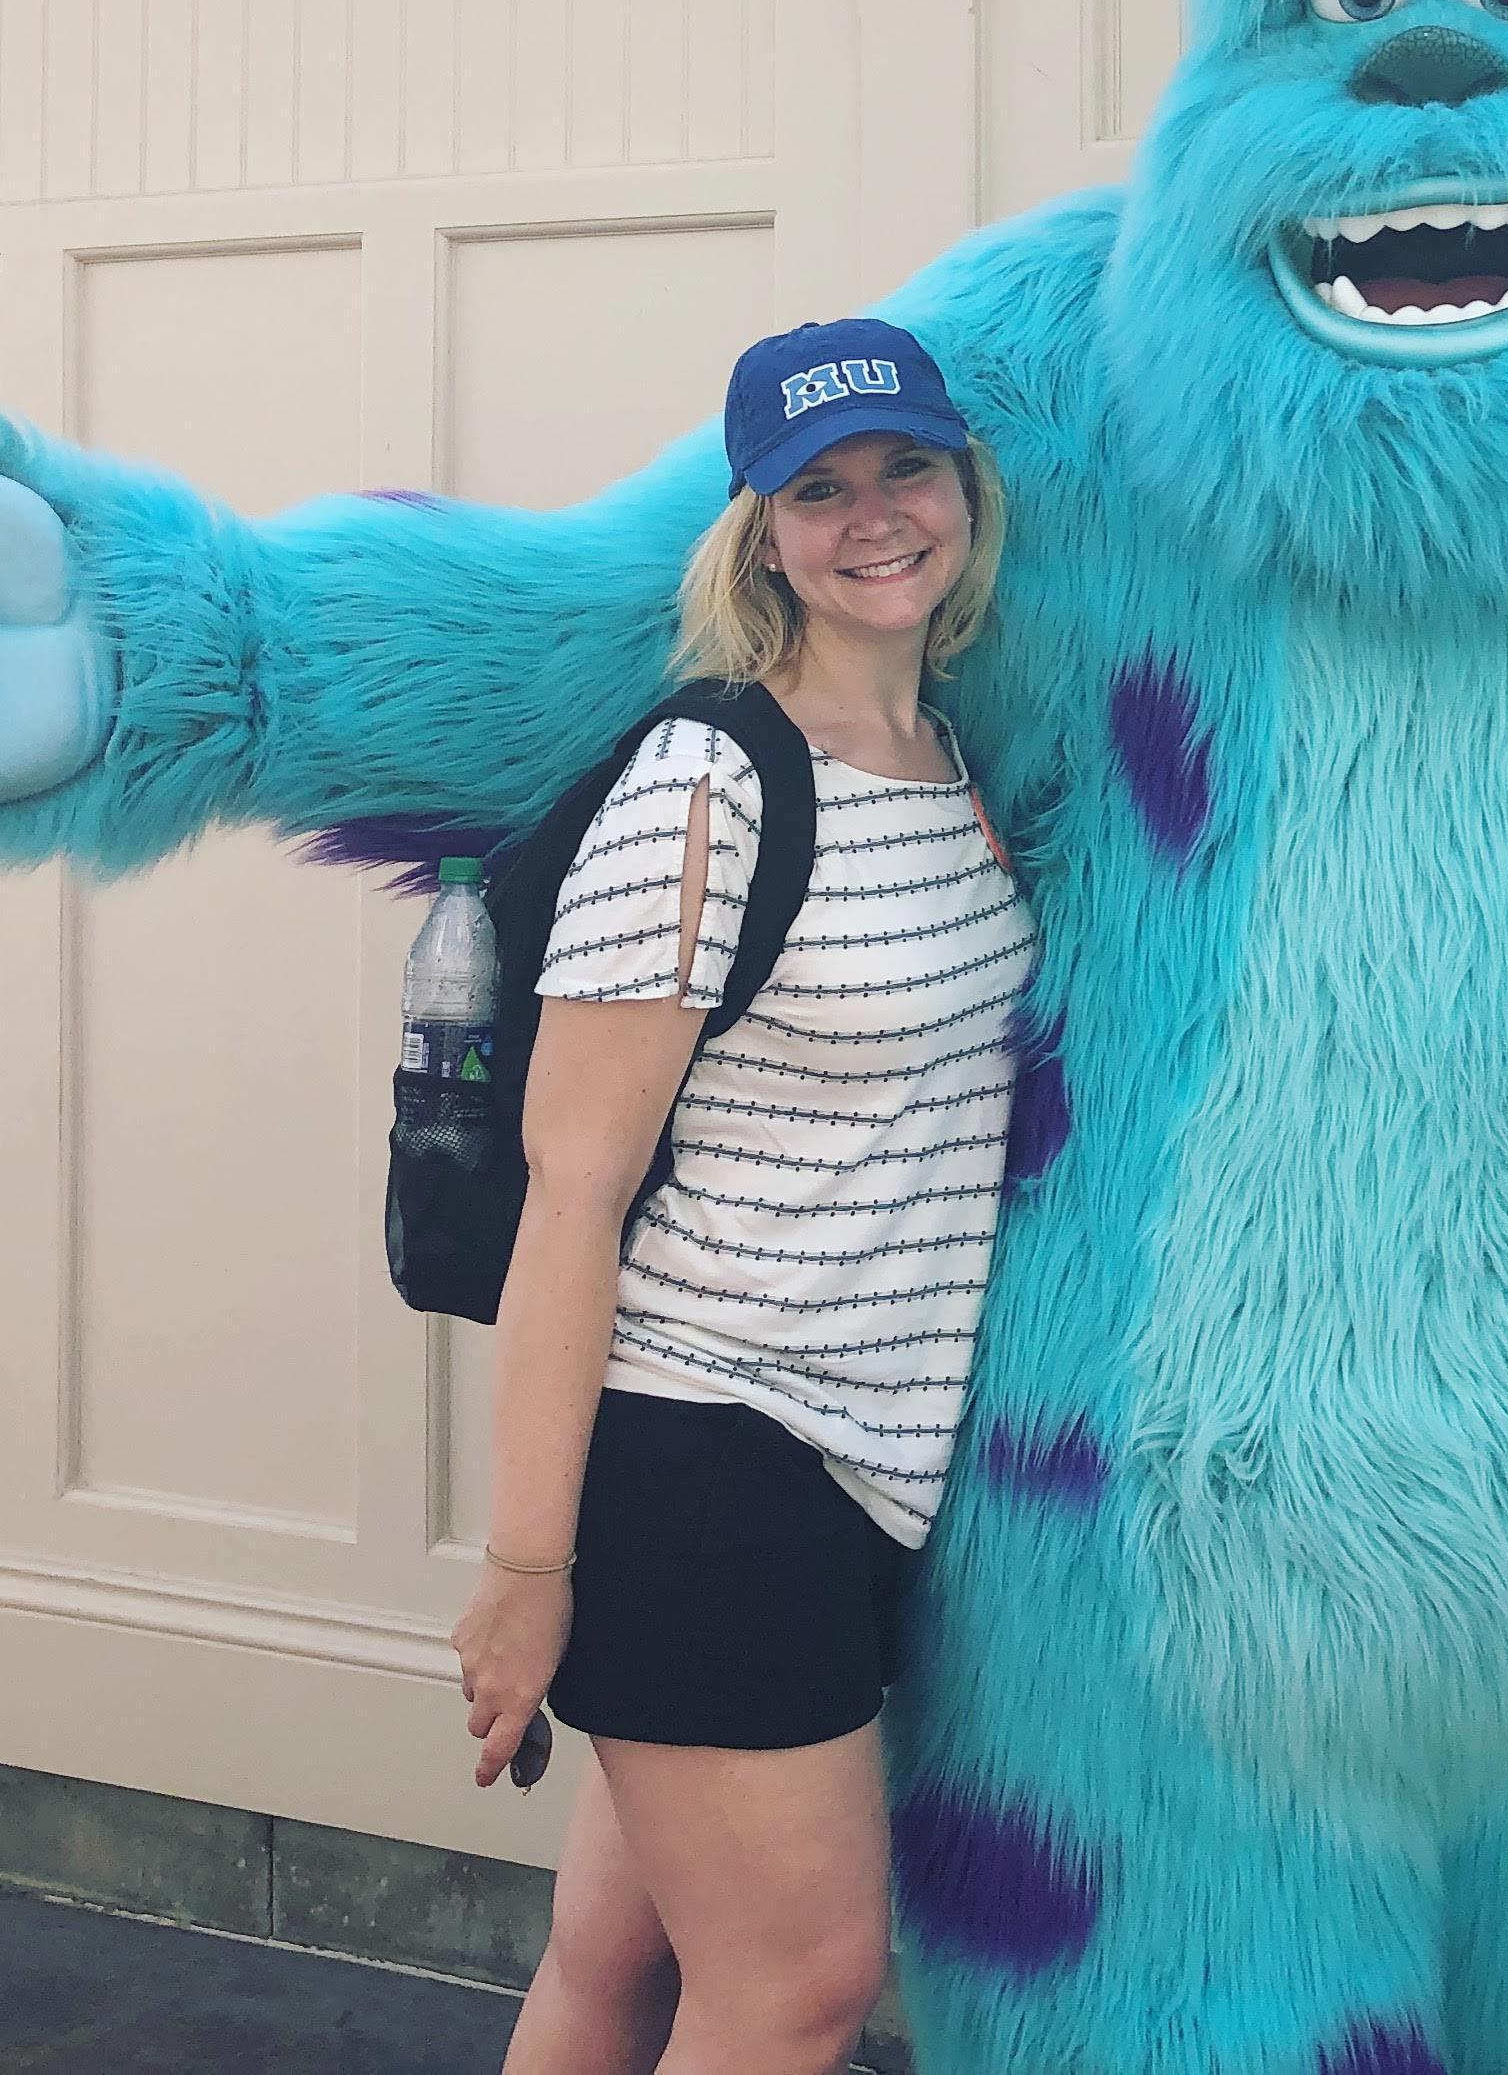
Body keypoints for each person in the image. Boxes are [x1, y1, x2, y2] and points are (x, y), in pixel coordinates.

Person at [452, 317, 1036, 2075]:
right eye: (818, 487)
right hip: (710, 1457)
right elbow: (575, 1196)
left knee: (615, 1968)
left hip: (856, 1473)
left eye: (902, 469)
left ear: (961, 491)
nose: (873, 516)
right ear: (757, 529)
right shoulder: (705, 785)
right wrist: (524, 1567)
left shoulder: (952, 765)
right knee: (795, 1993)